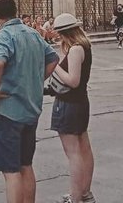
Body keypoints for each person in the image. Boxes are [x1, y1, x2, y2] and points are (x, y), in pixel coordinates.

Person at [0, 0, 58, 203]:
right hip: (30, 110)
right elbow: (53, 58)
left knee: (11, 171)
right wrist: (37, 79)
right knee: (26, 165)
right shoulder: (33, 33)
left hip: (8, 111)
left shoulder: (4, 35)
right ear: (15, 10)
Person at [49, 13, 95, 203]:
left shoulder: (76, 49)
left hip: (69, 104)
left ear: (64, 32)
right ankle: (85, 193)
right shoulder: (85, 46)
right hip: (81, 102)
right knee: (84, 150)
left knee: (74, 154)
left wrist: (54, 66)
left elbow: (73, 81)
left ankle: (75, 197)